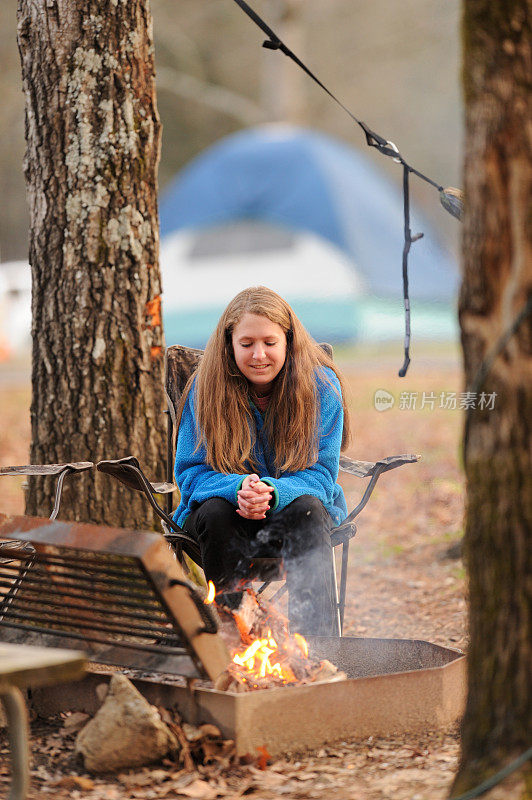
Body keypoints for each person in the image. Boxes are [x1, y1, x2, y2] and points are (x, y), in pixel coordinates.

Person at [172, 286, 351, 635]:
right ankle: (238, 641)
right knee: (213, 512)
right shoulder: (204, 388)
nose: (259, 355)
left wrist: (271, 491)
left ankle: (316, 648)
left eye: (269, 342)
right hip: (222, 522)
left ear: (288, 341)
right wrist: (237, 487)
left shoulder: (321, 387)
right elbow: (190, 473)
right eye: (246, 343)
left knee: (311, 510)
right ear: (229, 344)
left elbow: (322, 473)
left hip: (294, 516)